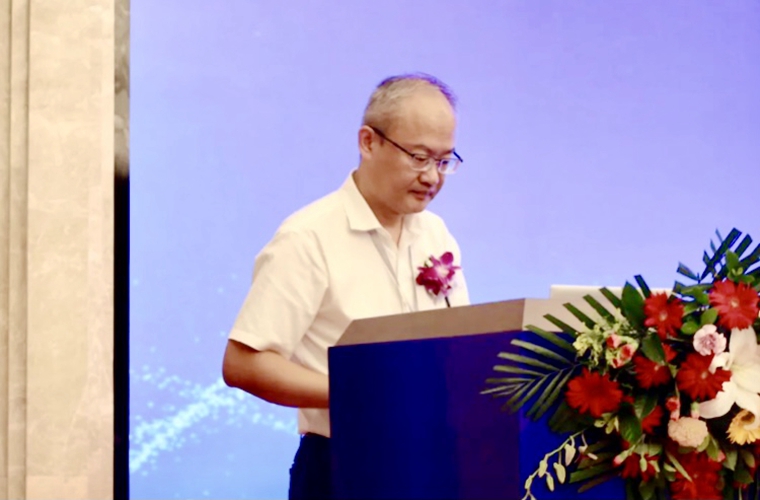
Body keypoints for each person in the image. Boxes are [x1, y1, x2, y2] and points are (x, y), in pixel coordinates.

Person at [222, 73, 471, 499]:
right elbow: (244, 364)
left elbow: (460, 344)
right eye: (418, 157)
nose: (432, 176)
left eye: (444, 160)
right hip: (343, 466)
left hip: (431, 460)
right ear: (368, 142)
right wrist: (358, 391)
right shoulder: (309, 237)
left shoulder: (435, 234)